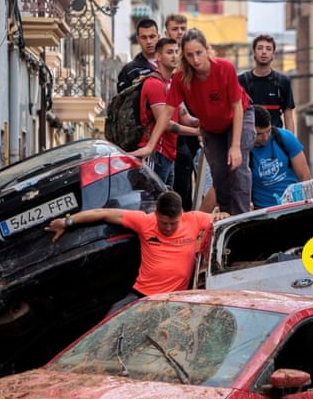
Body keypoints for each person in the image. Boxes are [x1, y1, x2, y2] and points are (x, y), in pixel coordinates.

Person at [131, 29, 255, 216]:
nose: (195, 60)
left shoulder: (224, 67)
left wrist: (236, 145)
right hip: (211, 128)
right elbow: (166, 113)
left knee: (236, 166)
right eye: (189, 55)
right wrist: (150, 146)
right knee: (219, 172)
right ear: (184, 56)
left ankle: (242, 215)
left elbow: (237, 107)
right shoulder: (182, 78)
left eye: (199, 53)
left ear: (207, 49)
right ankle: (227, 213)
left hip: (239, 117)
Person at [44, 190, 223, 313]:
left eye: (173, 224)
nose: (168, 228)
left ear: (181, 215)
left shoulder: (193, 220)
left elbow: (226, 221)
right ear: (156, 214)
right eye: (163, 223)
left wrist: (224, 216)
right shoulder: (145, 221)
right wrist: (67, 222)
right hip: (140, 295)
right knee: (108, 326)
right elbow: (103, 213)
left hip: (173, 300)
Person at [138, 37, 198, 187]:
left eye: (177, 52)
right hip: (155, 153)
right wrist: (198, 132)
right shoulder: (154, 84)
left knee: (164, 203)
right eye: (170, 52)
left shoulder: (173, 84)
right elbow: (166, 124)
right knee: (152, 202)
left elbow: (185, 117)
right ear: (158, 56)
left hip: (169, 154)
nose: (175, 56)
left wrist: (207, 122)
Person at [165, 13, 200, 210]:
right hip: (176, 135)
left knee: (203, 181)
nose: (179, 33)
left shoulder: (194, 59)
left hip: (197, 128)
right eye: (175, 29)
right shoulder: (167, 62)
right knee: (179, 186)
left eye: (182, 29)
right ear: (166, 32)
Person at [249, 106, 311, 208]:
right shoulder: (244, 150)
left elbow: (304, 175)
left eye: (268, 131)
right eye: (259, 134)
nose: (265, 137)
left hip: (294, 205)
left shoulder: (285, 137)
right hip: (264, 210)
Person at [238, 34, 296, 134]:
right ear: (254, 53)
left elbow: (288, 114)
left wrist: (290, 142)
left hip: (275, 137)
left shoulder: (283, 81)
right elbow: (236, 112)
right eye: (260, 48)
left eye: (268, 49)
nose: (264, 52)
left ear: (273, 54)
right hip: (249, 137)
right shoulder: (241, 81)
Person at [116, 19, 161, 93]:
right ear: (138, 39)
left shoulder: (169, 64)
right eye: (144, 37)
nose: (148, 41)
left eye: (152, 37)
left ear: (158, 37)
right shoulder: (130, 70)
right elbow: (122, 100)